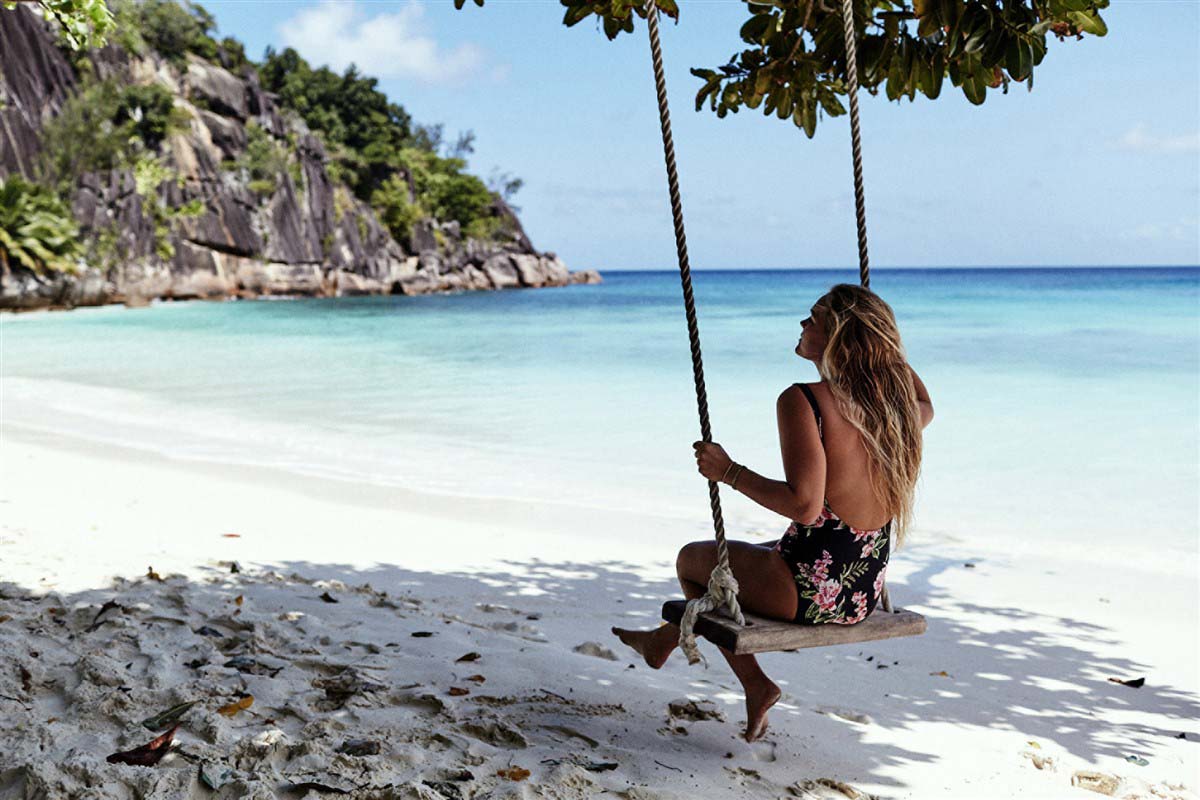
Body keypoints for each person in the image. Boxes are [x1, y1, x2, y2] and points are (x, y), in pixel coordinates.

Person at [612, 283, 934, 742]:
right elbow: (927, 405)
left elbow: (804, 507)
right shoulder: (896, 409)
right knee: (757, 551)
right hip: (861, 594)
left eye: (814, 317)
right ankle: (661, 641)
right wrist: (884, 352)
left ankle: (755, 683)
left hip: (807, 597)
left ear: (839, 335)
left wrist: (729, 472)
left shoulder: (805, 400)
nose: (803, 323)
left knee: (693, 560)